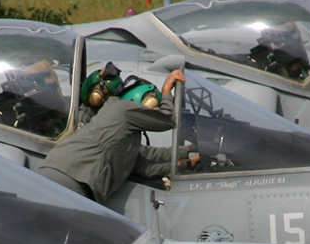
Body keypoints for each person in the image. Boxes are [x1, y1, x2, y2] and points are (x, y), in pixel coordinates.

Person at [36, 63, 193, 203]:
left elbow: (147, 163)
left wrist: (188, 155)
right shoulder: (122, 109)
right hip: (72, 178)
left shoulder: (124, 134)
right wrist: (166, 91)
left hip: (66, 175)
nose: (150, 113)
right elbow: (167, 119)